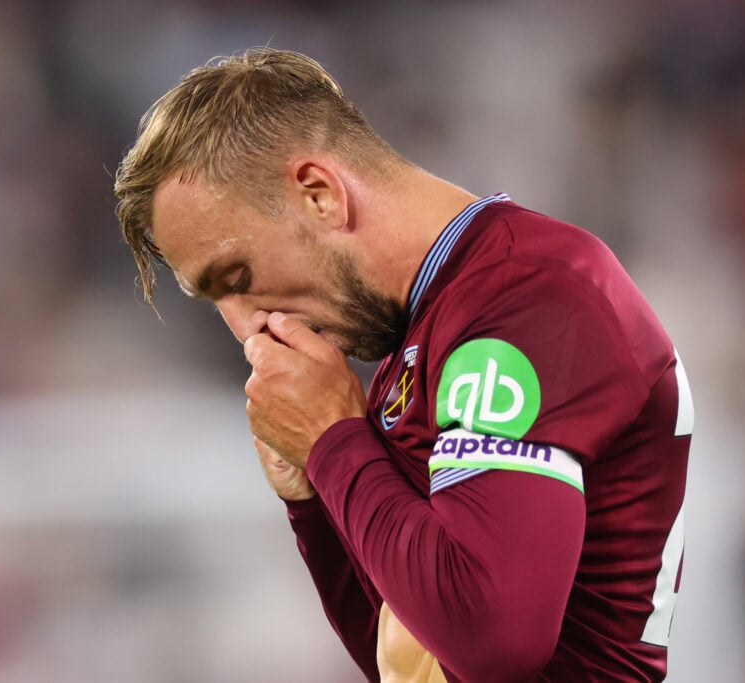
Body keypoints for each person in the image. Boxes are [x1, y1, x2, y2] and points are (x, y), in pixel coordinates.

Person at [114, 48, 692, 682]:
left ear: (319, 195)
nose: (246, 327)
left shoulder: (529, 298)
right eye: (216, 301)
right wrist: (311, 496)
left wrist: (333, 441)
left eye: (239, 277)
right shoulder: (418, 340)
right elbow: (412, 660)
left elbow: (493, 639)